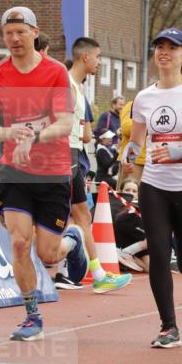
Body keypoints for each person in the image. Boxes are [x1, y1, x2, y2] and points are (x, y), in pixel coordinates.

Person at [0, 7, 89, 341]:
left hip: (53, 172)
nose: (14, 39)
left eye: (20, 32)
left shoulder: (56, 72)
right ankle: (32, 317)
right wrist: (12, 134)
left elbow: (64, 122)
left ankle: (73, 241)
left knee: (46, 254)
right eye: (8, 33)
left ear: (34, 32)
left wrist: (35, 137)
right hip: (13, 171)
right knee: (17, 242)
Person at [123, 27, 182, 349]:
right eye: (159, 47)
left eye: (172, 48)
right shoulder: (144, 98)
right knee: (160, 254)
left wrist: (177, 152)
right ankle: (168, 326)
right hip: (155, 187)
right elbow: (136, 142)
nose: (164, 53)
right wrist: (129, 159)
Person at [63, 36, 131, 293]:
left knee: (82, 215)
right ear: (86, 57)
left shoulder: (78, 89)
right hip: (64, 157)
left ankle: (99, 273)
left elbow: (82, 131)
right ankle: (65, 259)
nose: (100, 62)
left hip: (74, 155)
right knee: (65, 220)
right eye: (99, 57)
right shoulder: (68, 86)